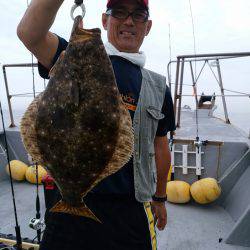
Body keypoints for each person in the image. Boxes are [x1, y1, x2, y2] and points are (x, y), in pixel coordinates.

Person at [17, 0, 176, 249]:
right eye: (119, 12)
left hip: (129, 210)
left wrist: (160, 197)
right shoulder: (72, 58)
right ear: (105, 20)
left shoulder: (158, 88)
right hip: (66, 206)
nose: (129, 21)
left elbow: (160, 147)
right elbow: (30, 34)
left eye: (138, 15)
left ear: (148, 26)